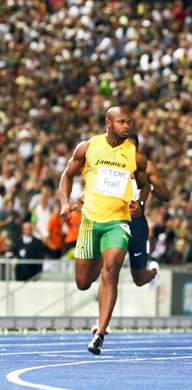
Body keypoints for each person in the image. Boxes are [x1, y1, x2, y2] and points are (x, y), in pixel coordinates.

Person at [59, 106, 149, 355]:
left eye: (128, 122)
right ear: (108, 123)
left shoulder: (135, 155)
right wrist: (65, 203)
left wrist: (139, 204)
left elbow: (145, 184)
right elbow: (66, 175)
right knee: (83, 282)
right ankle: (97, 260)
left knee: (111, 273)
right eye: (121, 122)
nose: (127, 126)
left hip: (117, 222)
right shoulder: (87, 147)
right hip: (90, 221)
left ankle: (100, 333)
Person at [126, 132, 170, 288]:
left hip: (136, 223)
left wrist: (148, 186)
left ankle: (153, 273)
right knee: (109, 265)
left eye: (131, 147)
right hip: (114, 220)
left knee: (139, 279)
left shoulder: (147, 166)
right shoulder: (110, 164)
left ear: (138, 149)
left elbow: (166, 195)